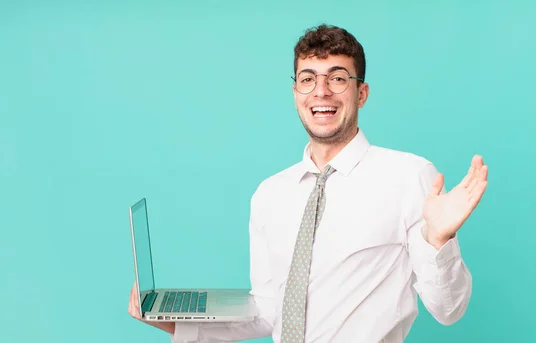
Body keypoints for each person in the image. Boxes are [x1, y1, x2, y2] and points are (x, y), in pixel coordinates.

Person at [128, 24, 488, 343]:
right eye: (308, 79)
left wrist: (439, 241)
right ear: (296, 92)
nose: (321, 92)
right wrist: (180, 326)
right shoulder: (270, 194)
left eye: (337, 78)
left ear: (361, 93)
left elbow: (449, 310)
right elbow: (269, 311)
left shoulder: (409, 176)